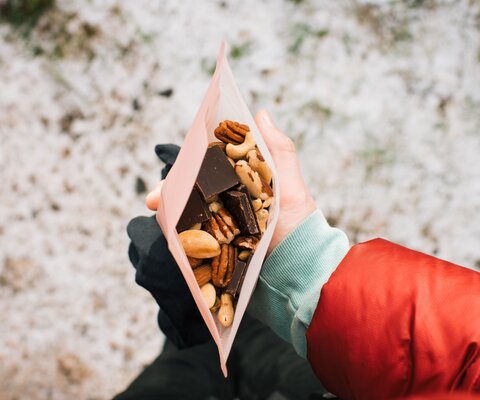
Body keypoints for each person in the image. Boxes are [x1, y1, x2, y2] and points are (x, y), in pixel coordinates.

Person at [114, 110, 480, 400]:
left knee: (185, 371)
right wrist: (306, 275)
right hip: (330, 381)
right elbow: (463, 353)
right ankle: (215, 343)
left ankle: (207, 347)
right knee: (218, 356)